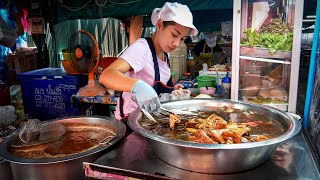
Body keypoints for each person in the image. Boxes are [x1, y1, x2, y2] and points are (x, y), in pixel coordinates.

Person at [99, 2, 198, 121]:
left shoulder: (165, 53)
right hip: (131, 122)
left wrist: (173, 90)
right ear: (160, 24)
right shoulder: (142, 48)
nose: (177, 43)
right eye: (174, 34)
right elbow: (106, 75)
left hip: (149, 120)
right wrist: (138, 86)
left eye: (182, 39)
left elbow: (158, 85)